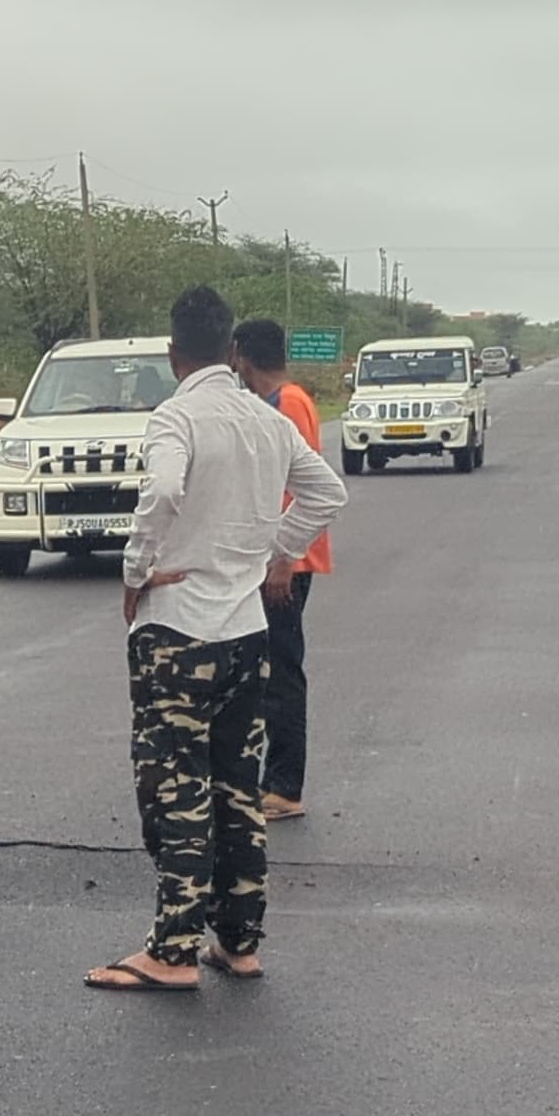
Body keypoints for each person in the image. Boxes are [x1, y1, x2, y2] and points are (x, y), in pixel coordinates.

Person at [91, 288, 344, 994]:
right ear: (231, 347)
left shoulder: (178, 416)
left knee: (174, 787)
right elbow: (326, 495)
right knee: (237, 786)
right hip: (245, 633)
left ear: (173, 354)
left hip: (178, 631)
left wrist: (137, 571)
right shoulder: (262, 419)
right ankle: (239, 941)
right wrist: (275, 553)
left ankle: (171, 950)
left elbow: (165, 490)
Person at [231, 317, 331, 819]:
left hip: (289, 562)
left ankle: (286, 787)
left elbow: (299, 484)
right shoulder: (280, 400)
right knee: (269, 671)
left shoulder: (288, 403)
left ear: (244, 357)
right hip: (278, 558)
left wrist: (285, 559)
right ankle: (271, 778)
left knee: (283, 673)